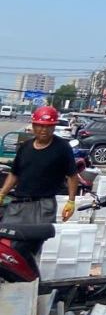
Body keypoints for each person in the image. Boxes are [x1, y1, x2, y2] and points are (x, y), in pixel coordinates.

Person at [0, 106, 78, 251]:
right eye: (40, 126)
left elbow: (72, 176)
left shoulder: (62, 147)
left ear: (54, 127)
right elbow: (15, 173)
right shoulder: (25, 147)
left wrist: (71, 201)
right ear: (33, 125)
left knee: (31, 246)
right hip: (19, 204)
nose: (44, 130)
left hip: (44, 206)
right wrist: (2, 193)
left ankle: (30, 273)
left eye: (48, 127)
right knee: (6, 244)